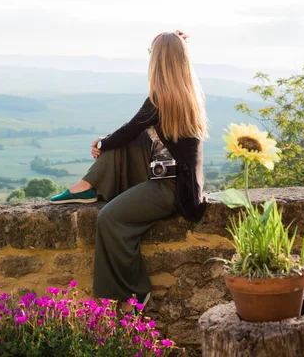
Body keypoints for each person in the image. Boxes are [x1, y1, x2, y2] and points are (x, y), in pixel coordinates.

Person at [49, 30, 209, 312]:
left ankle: (136, 291)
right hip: (170, 181)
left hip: (170, 189)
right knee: (127, 142)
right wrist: (110, 141)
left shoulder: (162, 100)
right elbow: (132, 132)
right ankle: (86, 185)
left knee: (109, 217)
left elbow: (130, 128)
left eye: (151, 54)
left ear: (158, 62)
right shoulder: (185, 95)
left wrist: (102, 142)